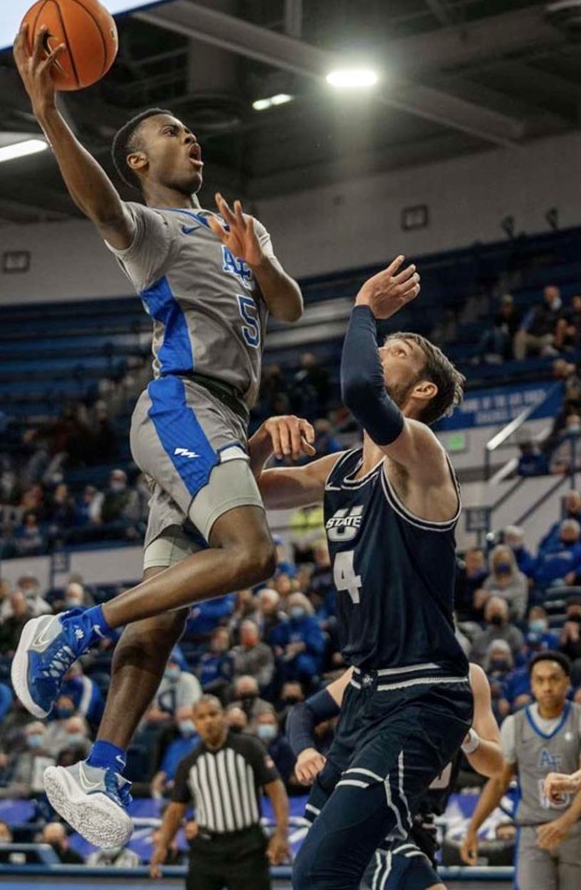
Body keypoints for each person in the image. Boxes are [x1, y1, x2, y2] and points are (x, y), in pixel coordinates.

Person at [12, 23, 303, 848]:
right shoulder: (152, 229)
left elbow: (285, 306)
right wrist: (48, 116)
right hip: (184, 406)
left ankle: (99, 763)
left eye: (188, 128)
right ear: (139, 160)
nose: (189, 135)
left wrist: (259, 260)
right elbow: (97, 202)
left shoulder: (232, 226)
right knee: (253, 554)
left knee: (165, 612)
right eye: (170, 131)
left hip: (219, 418)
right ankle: (71, 628)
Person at [248, 257, 473, 890]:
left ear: (422, 390)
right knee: (327, 871)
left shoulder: (423, 456)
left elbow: (358, 390)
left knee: (322, 870)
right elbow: (246, 491)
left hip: (422, 694)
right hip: (368, 693)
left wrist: (363, 310)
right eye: (381, 341)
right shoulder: (341, 467)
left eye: (395, 348)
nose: (380, 349)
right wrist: (264, 434)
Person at [288, 662, 502, 890]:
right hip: (372, 812)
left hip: (420, 822)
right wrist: (305, 751)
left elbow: (497, 765)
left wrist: (467, 738)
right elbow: (303, 712)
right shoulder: (374, 668)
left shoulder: (468, 676)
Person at [461, 652, 581, 888]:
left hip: (575, 829)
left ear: (567, 682)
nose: (547, 687)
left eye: (554, 679)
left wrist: (565, 822)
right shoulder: (514, 724)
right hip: (532, 830)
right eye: (540, 680)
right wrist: (472, 829)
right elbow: (498, 782)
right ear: (531, 684)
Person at [150, 695, 289, 889]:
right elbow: (175, 811)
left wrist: (281, 833)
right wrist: (162, 846)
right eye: (201, 717)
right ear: (195, 723)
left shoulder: (249, 748)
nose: (208, 720)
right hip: (206, 850)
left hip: (247, 847)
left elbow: (277, 790)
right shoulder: (188, 764)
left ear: (223, 717)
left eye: (213, 714)